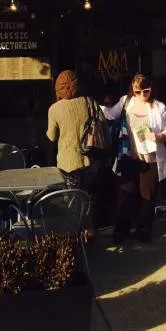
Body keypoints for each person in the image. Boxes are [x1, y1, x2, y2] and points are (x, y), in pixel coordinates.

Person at [101, 73, 166, 243]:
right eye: (138, 91)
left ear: (151, 90)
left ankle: (144, 230)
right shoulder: (126, 101)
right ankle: (122, 229)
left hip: (149, 156)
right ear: (133, 89)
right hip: (128, 155)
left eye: (145, 92)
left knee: (147, 195)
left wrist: (158, 136)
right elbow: (110, 114)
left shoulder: (158, 107)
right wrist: (93, 106)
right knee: (125, 192)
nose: (142, 95)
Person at [46, 70, 99, 239]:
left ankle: (75, 237)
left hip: (69, 164)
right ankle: (90, 230)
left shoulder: (55, 109)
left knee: (72, 201)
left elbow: (51, 136)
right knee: (87, 195)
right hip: (90, 160)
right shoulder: (88, 102)